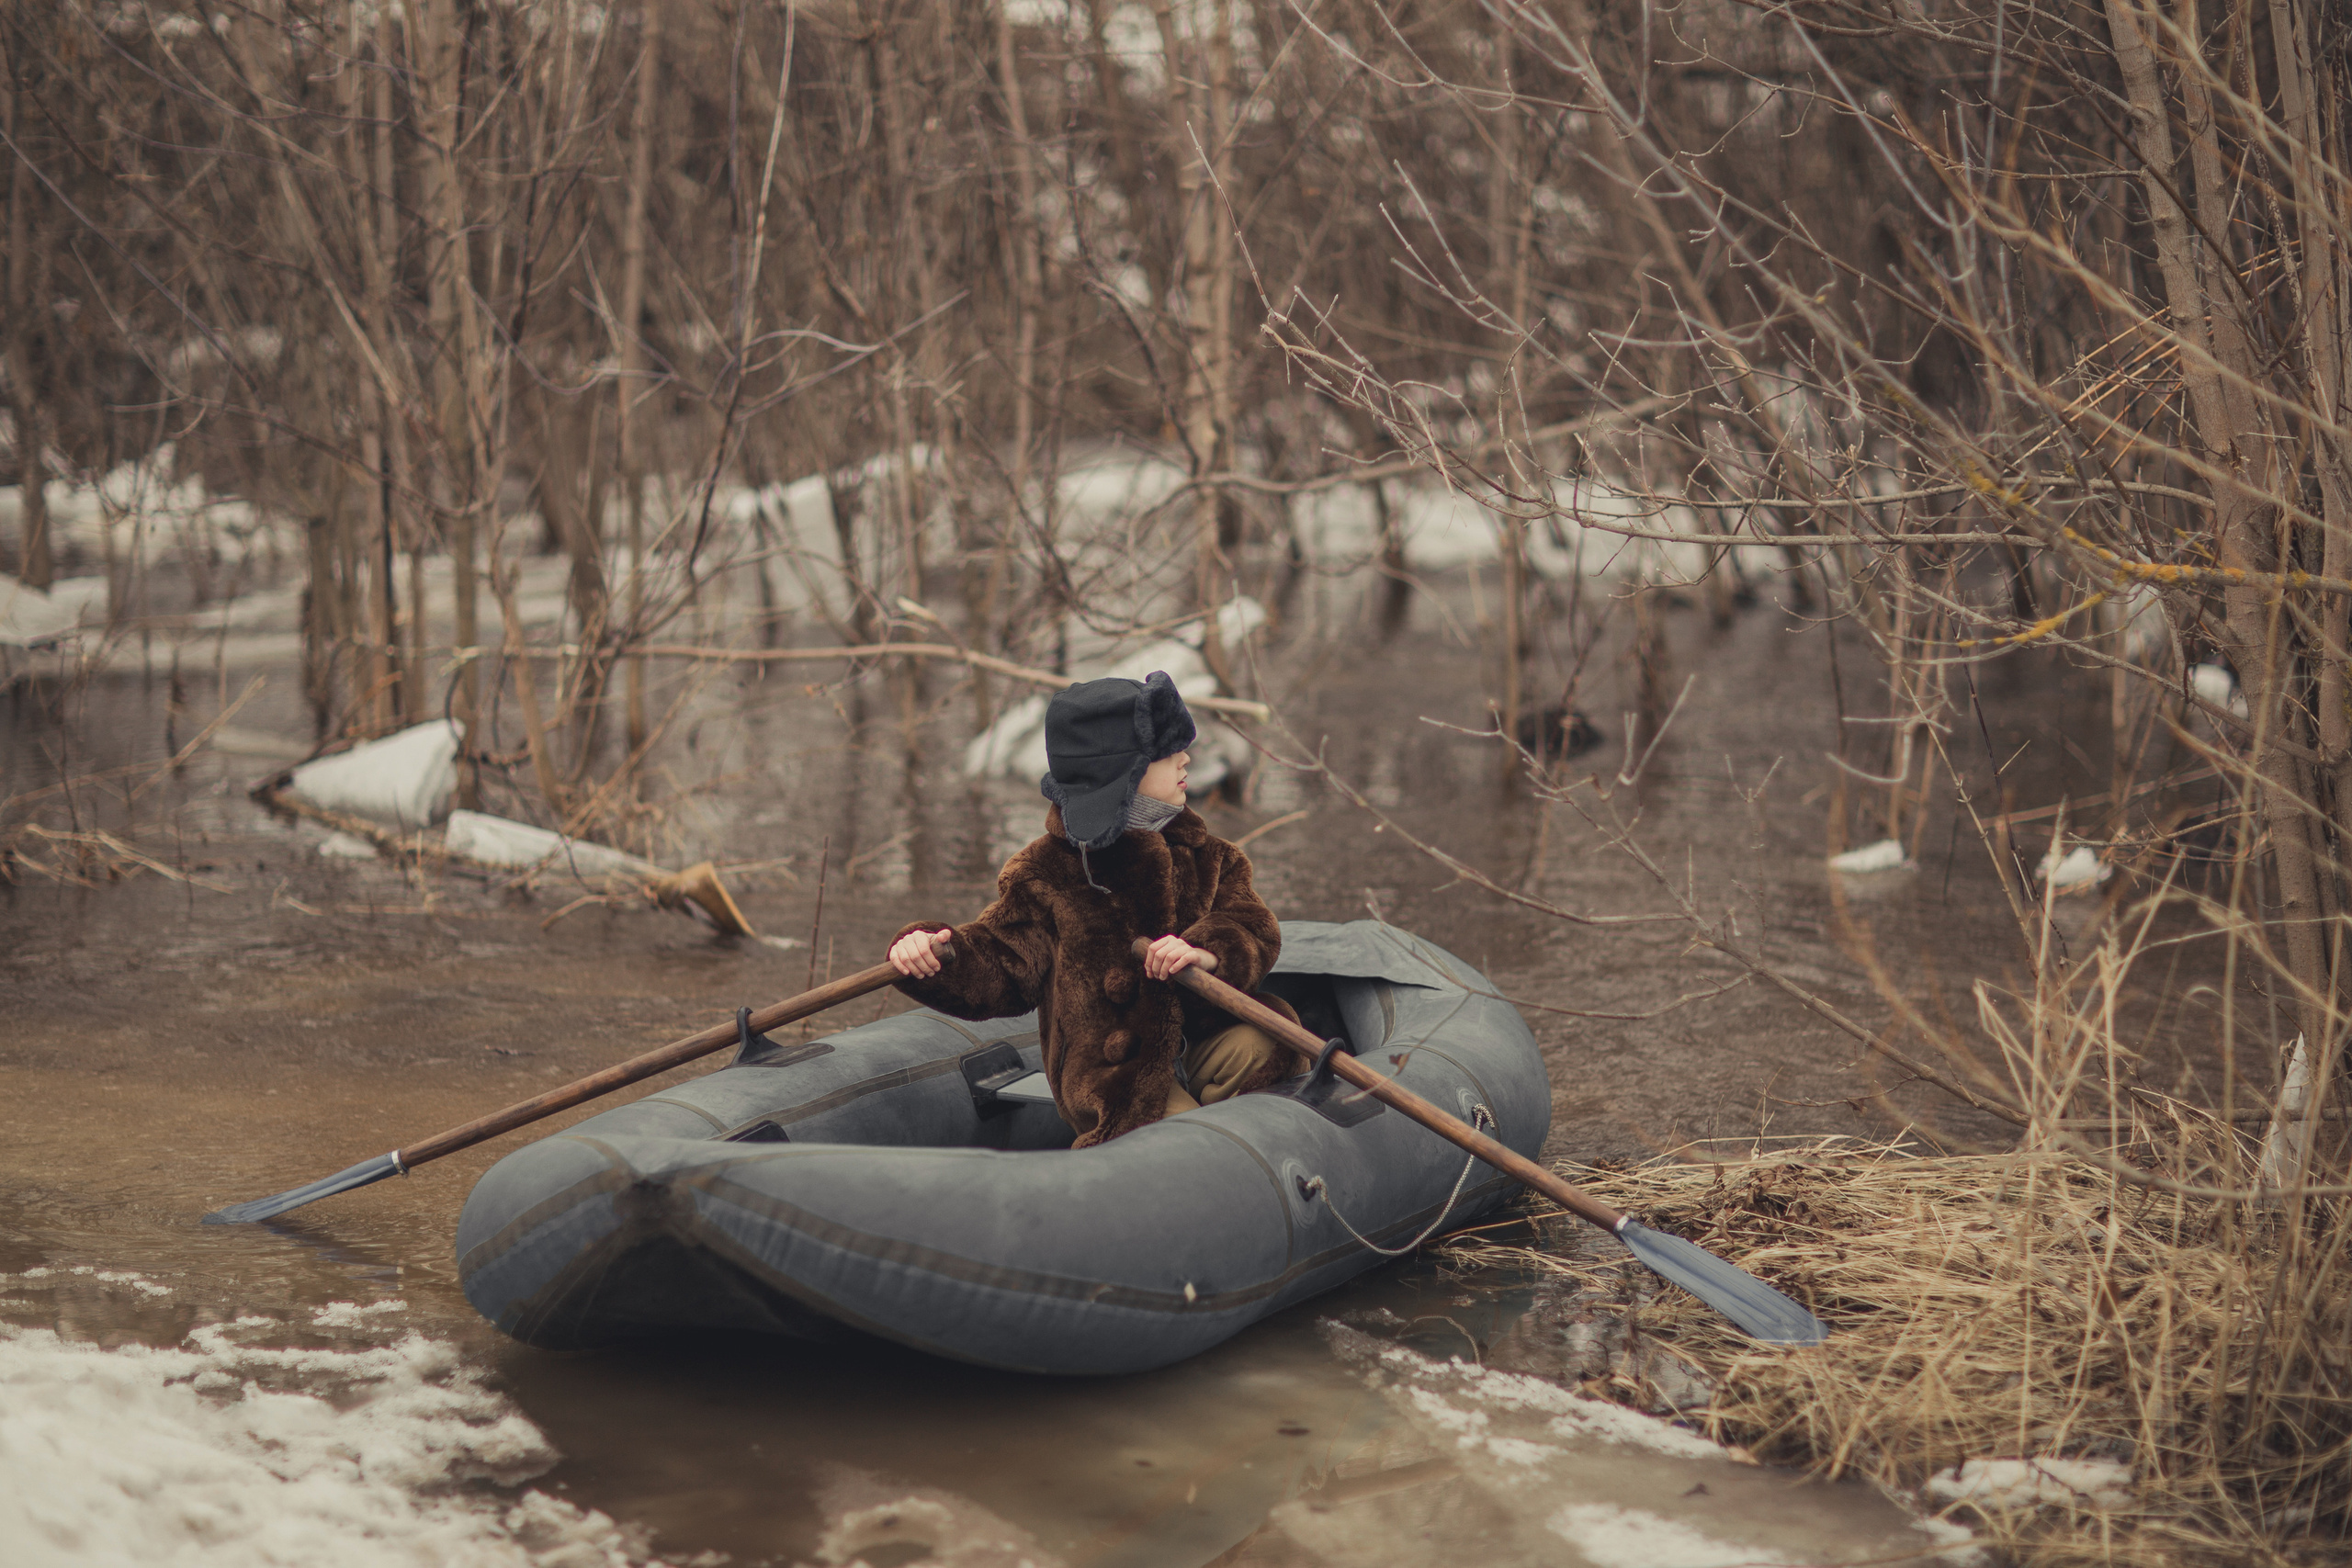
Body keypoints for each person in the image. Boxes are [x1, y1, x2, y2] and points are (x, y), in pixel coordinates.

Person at [887, 671, 1295, 1146]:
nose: (1187, 758)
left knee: (1269, 1043)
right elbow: (1001, 961)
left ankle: (1256, 1162)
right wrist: (936, 954)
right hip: (1114, 1070)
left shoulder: (1211, 856)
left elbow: (1253, 928)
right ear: (1123, 773)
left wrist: (1206, 954)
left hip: (1203, 1039)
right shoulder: (1045, 872)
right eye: (1167, 753)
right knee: (1172, 1138)